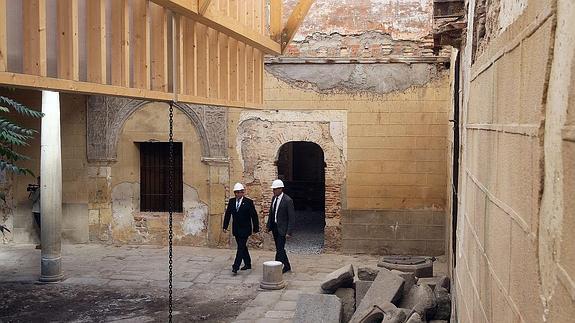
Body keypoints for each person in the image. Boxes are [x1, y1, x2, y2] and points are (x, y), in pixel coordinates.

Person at [223, 183, 259, 275]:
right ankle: (248, 263)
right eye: (236, 192)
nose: (237, 194)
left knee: (240, 248)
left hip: (245, 229)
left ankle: (235, 266)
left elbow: (254, 216)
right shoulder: (231, 202)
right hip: (236, 229)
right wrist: (225, 226)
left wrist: (256, 228)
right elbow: (228, 214)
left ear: (243, 192)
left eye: (239, 192)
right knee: (242, 247)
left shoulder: (248, 202)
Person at [266, 179, 294, 273]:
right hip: (275, 227)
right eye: (273, 189)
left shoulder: (288, 200)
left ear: (281, 189)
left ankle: (278, 265)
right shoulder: (274, 198)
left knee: (280, 248)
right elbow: (271, 213)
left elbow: (291, 217)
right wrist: (268, 225)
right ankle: (286, 265)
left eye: (275, 189)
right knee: (279, 248)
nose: (273, 191)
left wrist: (289, 231)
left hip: (282, 228)